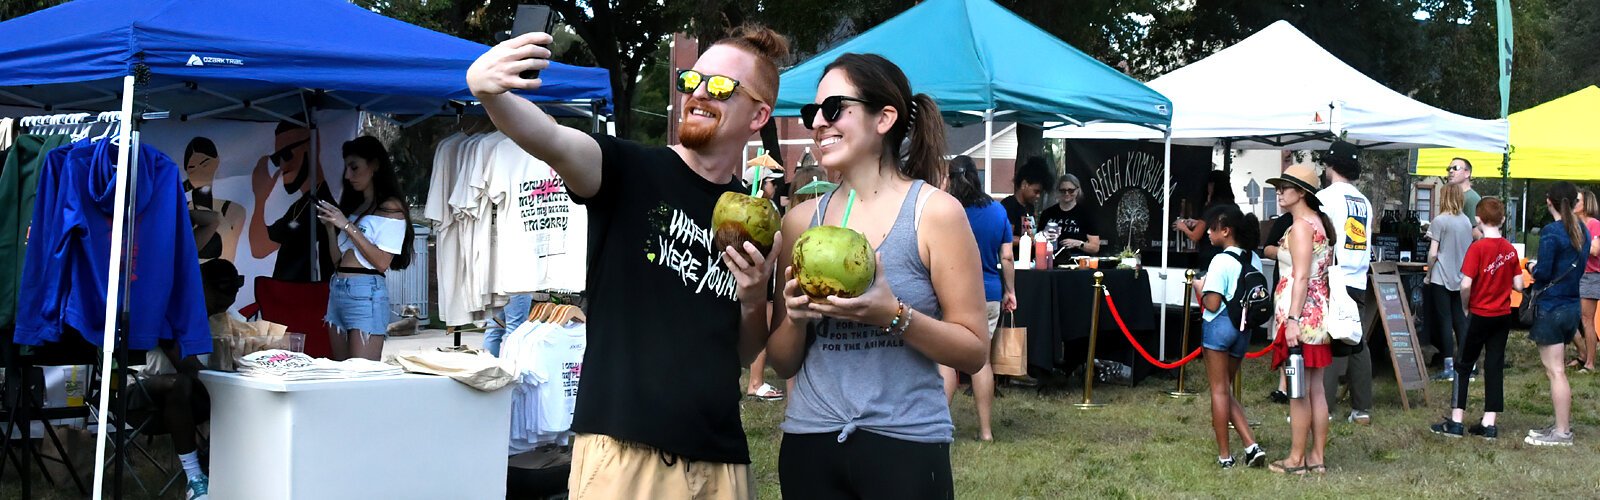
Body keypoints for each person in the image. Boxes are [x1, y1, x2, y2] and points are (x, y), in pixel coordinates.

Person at [468, 25, 787, 498]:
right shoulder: (627, 169)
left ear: (759, 115)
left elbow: (741, 353)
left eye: (720, 86)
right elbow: (552, 139)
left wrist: (753, 295)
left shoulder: (759, 220)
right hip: (625, 454)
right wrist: (489, 92)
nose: (698, 94)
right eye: (691, 81)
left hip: (721, 459)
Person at [768, 53, 987, 499]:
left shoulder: (934, 214)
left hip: (904, 442)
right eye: (812, 114)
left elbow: (974, 350)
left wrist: (893, 314)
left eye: (833, 110)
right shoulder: (801, 222)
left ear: (884, 117)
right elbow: (783, 362)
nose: (817, 124)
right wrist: (794, 317)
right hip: (811, 440)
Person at [141, 258, 240, 500]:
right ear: (201, 286)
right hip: (146, 391)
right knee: (181, 383)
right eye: (216, 305)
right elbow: (187, 367)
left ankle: (231, 467)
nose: (218, 312)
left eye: (225, 306)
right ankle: (195, 478)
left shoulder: (223, 314)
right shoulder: (168, 309)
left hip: (195, 395)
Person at [311, 136, 415, 361]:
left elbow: (382, 262)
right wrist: (331, 229)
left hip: (366, 291)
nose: (348, 175)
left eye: (354, 167)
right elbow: (339, 261)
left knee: (360, 373)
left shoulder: (391, 208)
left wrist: (346, 226)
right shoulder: (357, 207)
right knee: (340, 371)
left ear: (375, 165)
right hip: (339, 288)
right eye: (347, 168)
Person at [1430, 197, 1522, 439]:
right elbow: (1520, 286)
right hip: (1502, 316)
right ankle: (1489, 422)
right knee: (1494, 365)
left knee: (1463, 365)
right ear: (1503, 220)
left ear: (1478, 220)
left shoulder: (1477, 248)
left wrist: (1466, 305)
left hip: (1479, 312)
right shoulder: (1510, 249)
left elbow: (1465, 284)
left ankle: (1457, 420)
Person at [939, 155, 1015, 442]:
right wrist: (1011, 292)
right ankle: (985, 431)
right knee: (982, 361)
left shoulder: (945, 209)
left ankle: (940, 427)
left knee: (946, 360)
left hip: (949, 292)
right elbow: (1006, 257)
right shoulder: (997, 211)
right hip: (990, 293)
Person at [1264, 164, 1333, 475]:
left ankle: (1296, 459)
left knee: (1298, 389)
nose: (1280, 191)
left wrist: (1292, 319)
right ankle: (1316, 457)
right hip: (1317, 315)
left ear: (1302, 192)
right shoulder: (1316, 222)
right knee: (1315, 389)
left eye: (1286, 186)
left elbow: (1302, 276)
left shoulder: (1302, 227)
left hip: (1303, 317)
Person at [1193, 203, 1267, 469]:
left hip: (1219, 326)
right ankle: (1251, 445)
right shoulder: (1254, 259)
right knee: (1226, 388)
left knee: (1219, 391)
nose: (1208, 234)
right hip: (1243, 329)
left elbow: (1211, 303)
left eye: (1212, 229)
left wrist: (1198, 287)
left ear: (1226, 231)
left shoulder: (1220, 260)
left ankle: (1225, 456)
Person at [1315, 141, 1376, 425]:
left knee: (1326, 341)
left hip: (1333, 276)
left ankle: (1323, 408)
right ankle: (1362, 408)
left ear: (1332, 166)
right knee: (1356, 341)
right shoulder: (1363, 201)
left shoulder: (1326, 197)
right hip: (1358, 277)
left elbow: (1322, 236)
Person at [1525, 181, 1587, 447]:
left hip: (1551, 306)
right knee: (1557, 371)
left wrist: (1530, 267)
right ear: (1575, 202)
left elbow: (1544, 272)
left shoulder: (1551, 232)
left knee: (1556, 372)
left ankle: (1562, 432)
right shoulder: (1582, 230)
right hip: (1572, 305)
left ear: (1548, 201)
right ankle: (1560, 427)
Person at [250, 117, 337, 282]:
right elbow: (260, 247)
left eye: (287, 155)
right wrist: (260, 198)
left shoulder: (325, 206)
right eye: (278, 159)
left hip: (308, 300)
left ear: (313, 145)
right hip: (288, 300)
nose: (283, 166)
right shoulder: (300, 206)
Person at [1425, 183, 1472, 381]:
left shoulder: (1440, 221)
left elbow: (1433, 253)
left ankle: (1448, 366)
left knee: (1444, 321)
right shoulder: (1467, 222)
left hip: (1441, 277)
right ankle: (1466, 365)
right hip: (1460, 276)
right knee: (1460, 320)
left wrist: (1428, 274)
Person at [183, 137, 244, 264]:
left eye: (205, 164)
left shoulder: (233, 210)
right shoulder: (180, 210)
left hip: (217, 280)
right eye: (192, 168)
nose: (199, 171)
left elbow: (229, 255)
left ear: (216, 162)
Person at [1262, 213, 1295, 404]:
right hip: (1284, 285)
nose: (1280, 194)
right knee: (1283, 336)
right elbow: (1266, 249)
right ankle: (1283, 385)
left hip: (1310, 288)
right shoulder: (1284, 221)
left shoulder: (1319, 220)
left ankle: (1299, 386)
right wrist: (1286, 254)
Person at [1175, 170, 1235, 266]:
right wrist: (1198, 222)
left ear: (1213, 186)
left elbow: (1195, 236)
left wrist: (1182, 226)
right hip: (1230, 257)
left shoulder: (1211, 208)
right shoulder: (1234, 208)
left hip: (1210, 256)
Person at [1039, 173, 1101, 258]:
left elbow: (1095, 247)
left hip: (1077, 261)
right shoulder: (1047, 213)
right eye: (1063, 190)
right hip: (1050, 259)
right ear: (1058, 191)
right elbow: (1036, 241)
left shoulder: (1086, 214)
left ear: (1077, 190)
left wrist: (1079, 244)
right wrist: (1043, 235)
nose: (1067, 193)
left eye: (1071, 190)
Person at [1573, 189, 1600, 373]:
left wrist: (1576, 240)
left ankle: (1590, 363)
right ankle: (1582, 354)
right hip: (1576, 275)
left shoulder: (1593, 224)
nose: (1574, 203)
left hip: (1591, 276)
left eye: (1578, 200)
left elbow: (1595, 250)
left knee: (1586, 320)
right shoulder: (1574, 224)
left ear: (1586, 204)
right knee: (1571, 317)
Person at [1002, 156, 1053, 243]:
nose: (1038, 196)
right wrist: (1030, 240)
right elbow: (1007, 239)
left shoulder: (1030, 207)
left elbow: (1030, 233)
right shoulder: (1009, 205)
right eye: (1036, 191)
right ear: (1024, 184)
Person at [1446, 157, 1481, 238]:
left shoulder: (1472, 199)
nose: (1451, 171)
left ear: (1467, 173)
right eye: (1449, 169)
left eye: (1456, 168)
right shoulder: (1452, 197)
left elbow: (1476, 233)